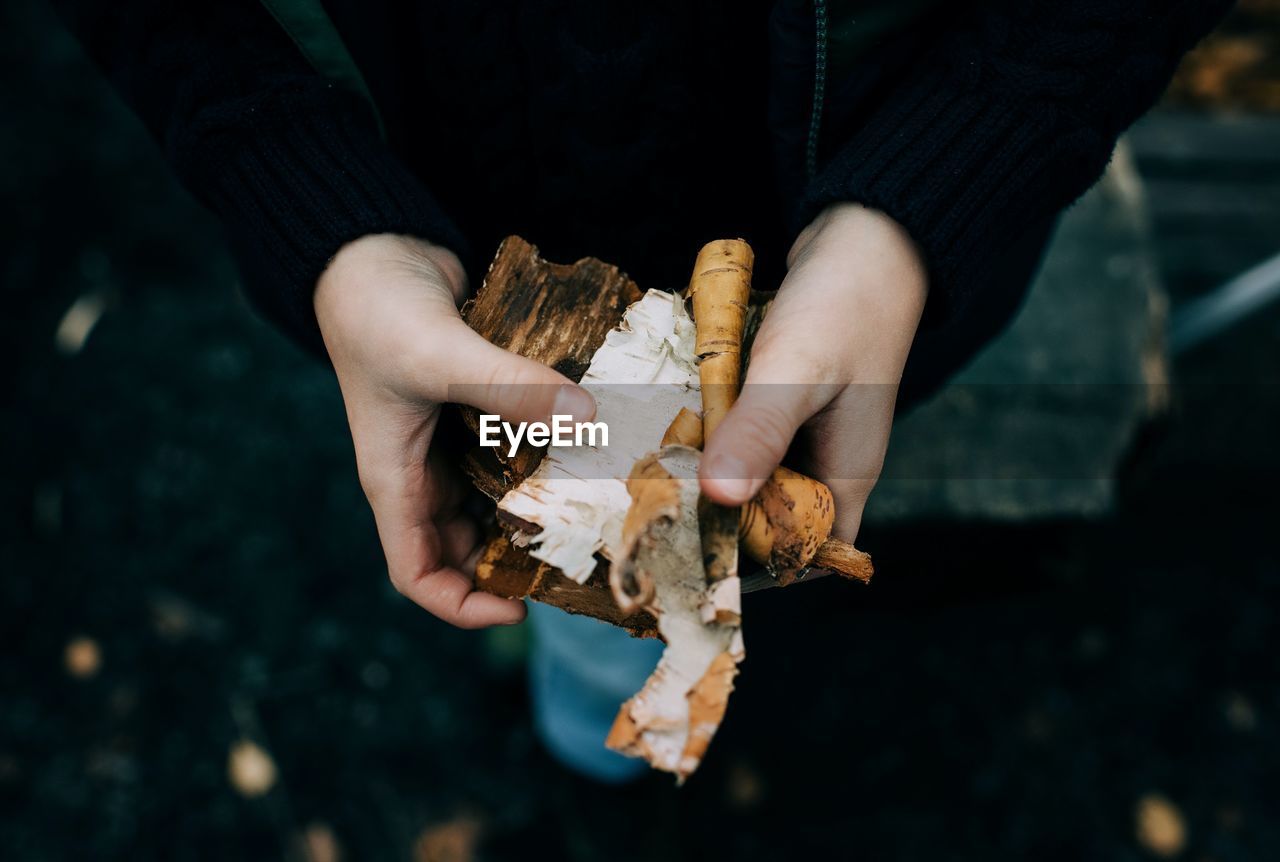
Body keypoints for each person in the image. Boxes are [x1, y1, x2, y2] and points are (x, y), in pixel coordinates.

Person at [53, 0, 1230, 781]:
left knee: (706, 556)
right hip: (433, 263)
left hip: (858, 248)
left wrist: (948, 176)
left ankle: (616, 717)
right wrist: (294, 182)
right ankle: (593, 724)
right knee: (566, 567)